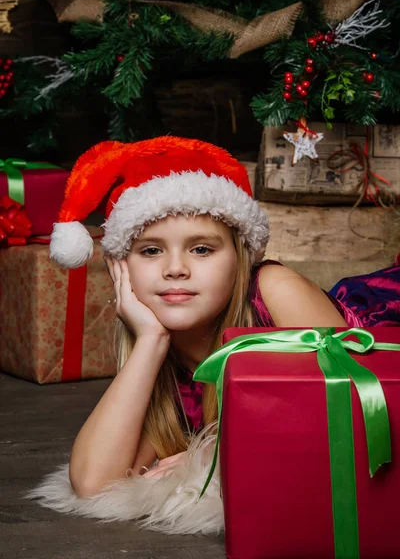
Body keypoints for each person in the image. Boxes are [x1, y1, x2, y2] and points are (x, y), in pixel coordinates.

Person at [27, 135, 400, 534]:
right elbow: (91, 483)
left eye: (201, 249)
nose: (175, 269)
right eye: (151, 251)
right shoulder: (160, 351)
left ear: (239, 259)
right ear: (121, 268)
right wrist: (150, 342)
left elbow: (358, 413)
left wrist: (210, 448)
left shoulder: (276, 292)